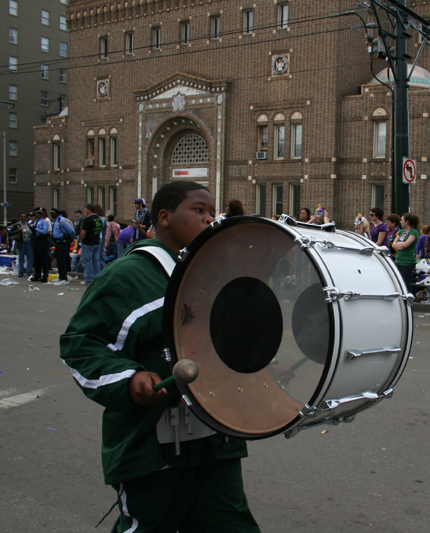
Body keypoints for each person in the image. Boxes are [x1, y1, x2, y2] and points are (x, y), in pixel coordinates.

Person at [60, 181, 261, 532]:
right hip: (152, 451)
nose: (209, 219)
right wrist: (128, 378)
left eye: (211, 212)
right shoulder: (126, 277)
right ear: (164, 217)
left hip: (215, 444)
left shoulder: (214, 273)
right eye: (198, 210)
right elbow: (81, 346)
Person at [392, 213, 419, 290]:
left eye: (402, 220)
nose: (400, 222)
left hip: (407, 261)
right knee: (397, 282)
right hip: (398, 260)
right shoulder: (401, 231)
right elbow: (393, 244)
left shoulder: (414, 232)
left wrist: (399, 244)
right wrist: (400, 245)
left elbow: (406, 245)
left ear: (407, 222)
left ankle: (408, 301)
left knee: (405, 283)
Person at [79, 204, 103, 285]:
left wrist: (81, 240)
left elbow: (83, 232)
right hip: (96, 241)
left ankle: (88, 279)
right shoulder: (99, 219)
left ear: (89, 210)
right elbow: (100, 230)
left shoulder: (88, 219)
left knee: (86, 260)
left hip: (88, 242)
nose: (84, 211)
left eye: (85, 209)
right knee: (95, 260)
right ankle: (96, 277)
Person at [51, 207, 75, 282]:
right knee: (59, 259)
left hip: (62, 242)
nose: (51, 215)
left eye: (52, 213)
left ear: (56, 213)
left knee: (62, 260)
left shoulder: (62, 220)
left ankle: (63, 276)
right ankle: (61, 275)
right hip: (57, 242)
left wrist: (70, 239)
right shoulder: (56, 220)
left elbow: (71, 230)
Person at [11, 213, 34, 277]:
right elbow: (10, 233)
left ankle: (29, 271)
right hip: (21, 242)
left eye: (24, 216)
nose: (23, 218)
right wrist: (17, 231)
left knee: (30, 257)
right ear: (19, 218)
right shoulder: (17, 225)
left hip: (28, 242)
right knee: (21, 257)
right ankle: (20, 272)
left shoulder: (29, 225)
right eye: (22, 217)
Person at [31, 210, 51, 282]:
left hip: (42, 241)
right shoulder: (36, 221)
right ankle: (37, 274)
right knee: (36, 259)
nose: (37, 215)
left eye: (39, 214)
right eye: (36, 214)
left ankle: (45, 275)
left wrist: (36, 229)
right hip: (36, 240)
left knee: (43, 258)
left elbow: (45, 231)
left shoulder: (44, 221)